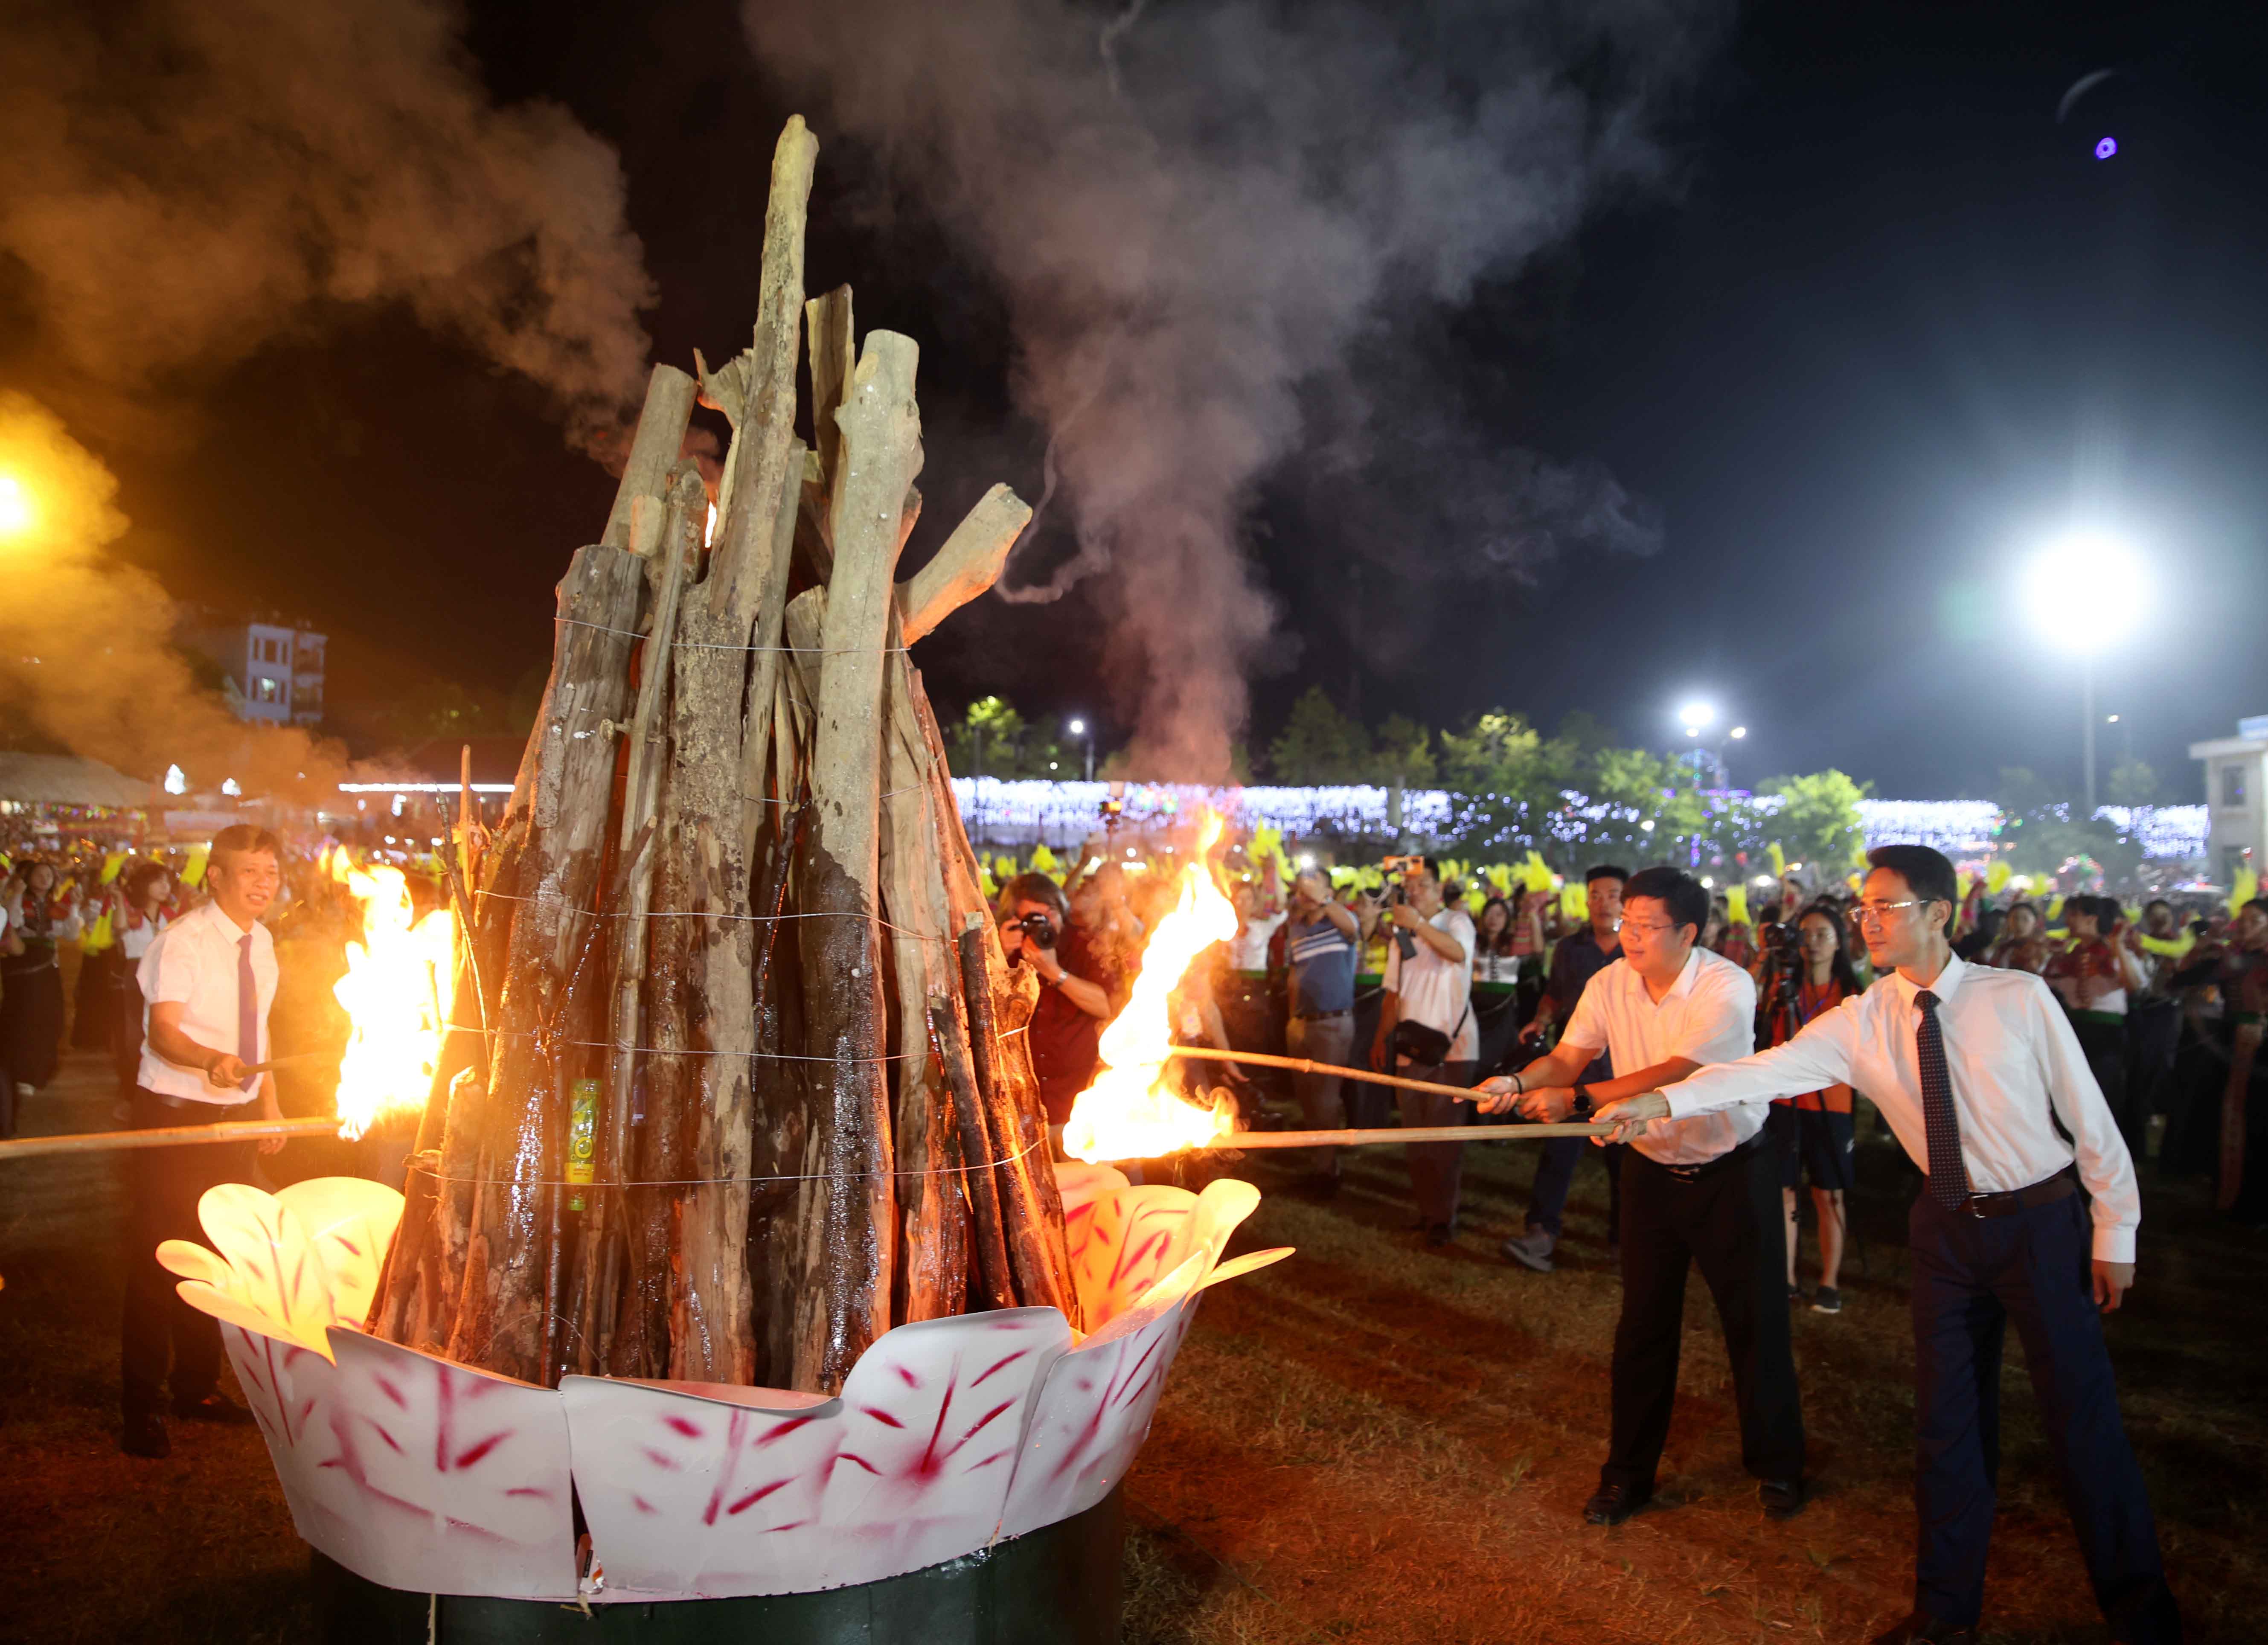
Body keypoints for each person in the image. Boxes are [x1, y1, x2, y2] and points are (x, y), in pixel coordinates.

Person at [1595, 845, 2178, 1645]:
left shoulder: (2017, 997)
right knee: (1945, 1425)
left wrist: (2116, 1228)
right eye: (1862, 907)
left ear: (1938, 914)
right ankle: (1944, 1613)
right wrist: (1655, 1098)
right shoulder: (1861, 1020)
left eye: (1885, 907)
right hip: (1942, 1232)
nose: (1865, 921)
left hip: (2038, 1224)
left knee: (2081, 1419)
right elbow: (1760, 1071)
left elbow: (2091, 1118)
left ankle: (2141, 1612)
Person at [1471, 865, 1804, 1525]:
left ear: (1688, 932)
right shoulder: (1609, 980)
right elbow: (1567, 1058)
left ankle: (1779, 1465)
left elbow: (1683, 1072)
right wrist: (1515, 1082)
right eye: (1628, 922)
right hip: (1651, 1171)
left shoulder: (1725, 986)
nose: (1631, 936)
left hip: (1732, 1171)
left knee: (1755, 1323)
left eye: (1648, 927)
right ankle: (1627, 1476)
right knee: (1643, 1328)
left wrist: (1582, 1098)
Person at [119, 825, 291, 1459]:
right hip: (175, 1114)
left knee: (215, 1251)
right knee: (158, 1256)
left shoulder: (263, 942)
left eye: (271, 871)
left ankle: (197, 1386)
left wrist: (268, 1105)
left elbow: (260, 1027)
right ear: (215, 877)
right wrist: (210, 1061)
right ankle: (141, 1404)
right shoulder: (182, 942)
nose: (264, 884)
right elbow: (163, 1033)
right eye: (250, 872)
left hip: (236, 1117)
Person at [1499, 863, 1628, 1272]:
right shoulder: (1572, 949)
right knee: (1559, 1151)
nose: (1603, 903)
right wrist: (1541, 1020)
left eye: (1613, 894)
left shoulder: (1640, 950)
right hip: (1577, 1068)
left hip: (1628, 1072)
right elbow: (1555, 996)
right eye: (1595, 895)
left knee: (1627, 1161)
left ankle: (1627, 1241)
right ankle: (1541, 1233)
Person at [1368, 857, 1477, 1246]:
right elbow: (1392, 991)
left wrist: (1418, 924)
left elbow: (1458, 954)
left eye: (1422, 885)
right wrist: (1382, 1037)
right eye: (1409, 886)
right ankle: (1427, 1212)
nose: (1414, 891)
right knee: (1416, 1136)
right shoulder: (1402, 934)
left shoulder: (1456, 921)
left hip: (1454, 1048)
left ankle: (1444, 1218)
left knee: (1444, 1137)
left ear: (1437, 888)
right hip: (1410, 1048)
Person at [1759, 903, 1860, 1312]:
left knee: (1828, 1193)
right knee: (1784, 1189)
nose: (1813, 943)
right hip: (1786, 1101)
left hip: (1831, 1103)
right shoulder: (1781, 989)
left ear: (1839, 941)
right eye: (1806, 935)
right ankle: (1785, 1277)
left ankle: (1829, 1280)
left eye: (1822, 934)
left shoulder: (1851, 995)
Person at [1000, 871, 1124, 1138]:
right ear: (1015, 921)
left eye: (1051, 914)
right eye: (1034, 919)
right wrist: (998, 954)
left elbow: (1107, 1007)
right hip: (1021, 1108)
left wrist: (1054, 972)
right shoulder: (1003, 954)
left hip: (1079, 1104)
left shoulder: (1084, 945)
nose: (1045, 925)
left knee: (1093, 1179)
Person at [2044, 895, 2150, 1159]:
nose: (2067, 921)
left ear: (2093, 919)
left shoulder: (2114, 952)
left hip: (2107, 1036)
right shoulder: (2068, 952)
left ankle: (2106, 1159)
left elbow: (2134, 985)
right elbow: (2046, 983)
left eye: (2073, 914)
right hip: (2074, 1031)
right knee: (2070, 1097)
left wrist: (2118, 947)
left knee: (2103, 1096)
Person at [1281, 867, 1360, 1192]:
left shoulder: (1340, 923)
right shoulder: (1297, 929)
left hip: (1333, 1021)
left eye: (1314, 885)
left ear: (1328, 889)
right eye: (1303, 887)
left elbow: (1353, 927)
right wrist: (1292, 1019)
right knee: (1308, 1098)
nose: (1306, 892)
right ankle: (1321, 1161)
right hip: (1302, 1023)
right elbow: (1294, 976)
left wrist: (1323, 900)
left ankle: (1328, 1171)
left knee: (1326, 1098)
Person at [1, 857, 85, 1100]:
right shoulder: (17, 900)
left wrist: (75, 908)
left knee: (49, 1020)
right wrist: (16, 894)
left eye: (49, 876)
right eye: (39, 875)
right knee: (22, 1020)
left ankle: (40, 1070)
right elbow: (14, 921)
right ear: (27, 879)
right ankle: (21, 1073)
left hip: (47, 968)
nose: (44, 879)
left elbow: (70, 934)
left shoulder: (55, 906)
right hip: (21, 969)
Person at [108, 859, 177, 1097]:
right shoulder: (130, 913)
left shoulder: (172, 914)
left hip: (168, 975)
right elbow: (118, 928)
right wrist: (118, 900)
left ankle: (159, 1086)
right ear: (142, 885)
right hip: (137, 974)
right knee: (136, 1032)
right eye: (158, 881)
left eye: (167, 881)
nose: (164, 886)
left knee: (165, 1029)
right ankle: (131, 1091)